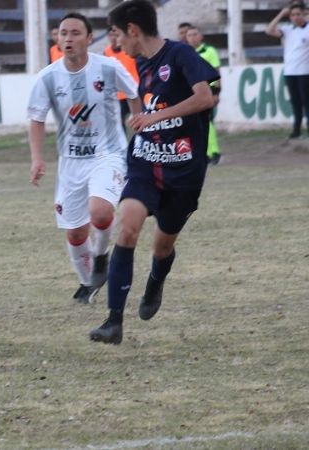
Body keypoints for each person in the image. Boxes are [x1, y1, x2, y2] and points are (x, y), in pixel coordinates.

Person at [89, 0, 219, 344]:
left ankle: (156, 280)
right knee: (127, 229)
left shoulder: (180, 55)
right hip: (146, 162)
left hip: (184, 170)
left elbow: (206, 98)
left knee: (162, 247)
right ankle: (113, 322)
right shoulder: (141, 62)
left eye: (116, 33)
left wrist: (156, 117)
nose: (115, 42)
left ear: (133, 30)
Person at [28, 12, 141, 305]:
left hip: (108, 154)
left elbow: (133, 94)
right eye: (63, 33)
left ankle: (101, 257)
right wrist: (37, 158)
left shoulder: (109, 67)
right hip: (71, 161)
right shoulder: (48, 77)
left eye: (76, 33)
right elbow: (37, 119)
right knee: (76, 234)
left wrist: (140, 123)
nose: (68, 38)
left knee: (101, 212)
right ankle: (86, 282)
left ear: (90, 38)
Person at [266, 2, 309, 139]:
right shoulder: (288, 30)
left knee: (306, 102)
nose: (295, 17)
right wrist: (281, 14)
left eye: (298, 14)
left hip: (305, 72)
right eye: (293, 15)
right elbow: (269, 30)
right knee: (295, 102)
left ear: (304, 14)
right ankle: (296, 131)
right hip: (290, 72)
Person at [186, 25, 222, 164]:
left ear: (201, 36)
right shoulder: (186, 53)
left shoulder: (209, 51)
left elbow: (216, 74)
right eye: (189, 35)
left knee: (208, 122)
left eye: (195, 34)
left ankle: (214, 152)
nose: (193, 37)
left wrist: (215, 93)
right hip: (191, 94)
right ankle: (204, 153)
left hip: (208, 93)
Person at [104, 28, 140, 127]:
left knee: (139, 120)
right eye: (111, 35)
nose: (114, 38)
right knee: (119, 123)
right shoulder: (106, 52)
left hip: (134, 92)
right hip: (118, 94)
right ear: (108, 37)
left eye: (116, 35)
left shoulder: (130, 50)